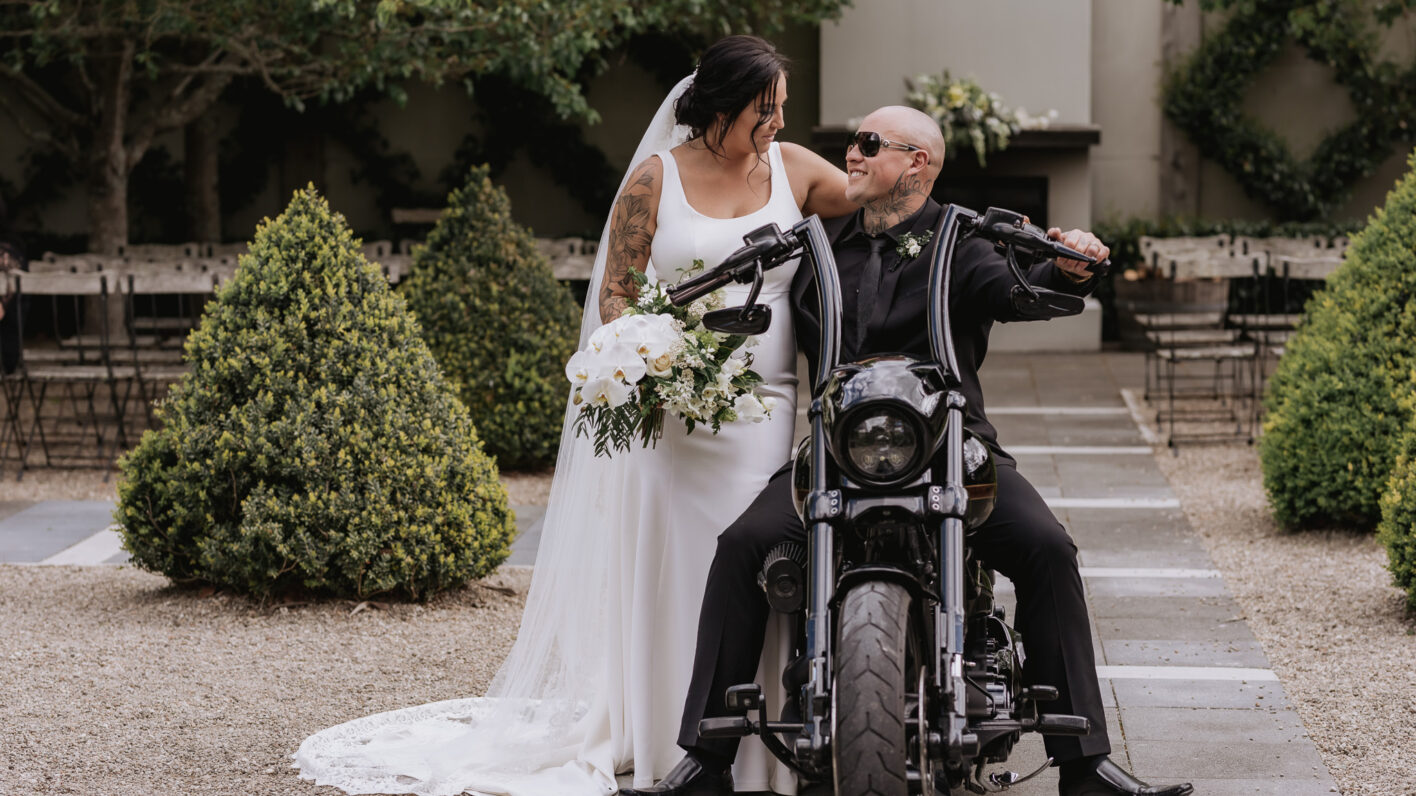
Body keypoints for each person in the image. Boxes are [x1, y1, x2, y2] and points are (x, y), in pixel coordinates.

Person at [295, 35, 853, 796]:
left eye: (783, 107)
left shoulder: (792, 170)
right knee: (679, 565)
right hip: (676, 423)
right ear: (721, 107)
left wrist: (920, 159)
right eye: (767, 108)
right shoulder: (657, 179)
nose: (780, 122)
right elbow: (617, 294)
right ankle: (674, 738)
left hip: (765, 413)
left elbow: (875, 201)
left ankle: (763, 745)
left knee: (758, 561)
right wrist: (655, 363)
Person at [622, 106, 1194, 796]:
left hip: (955, 449)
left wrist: (1072, 267)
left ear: (916, 163)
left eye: (867, 144)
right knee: (742, 544)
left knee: (1049, 549)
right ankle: (707, 762)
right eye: (850, 144)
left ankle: (1085, 765)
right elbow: (737, 285)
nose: (851, 156)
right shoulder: (816, 243)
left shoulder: (964, 240)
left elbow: (1019, 287)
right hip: (837, 452)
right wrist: (658, 334)